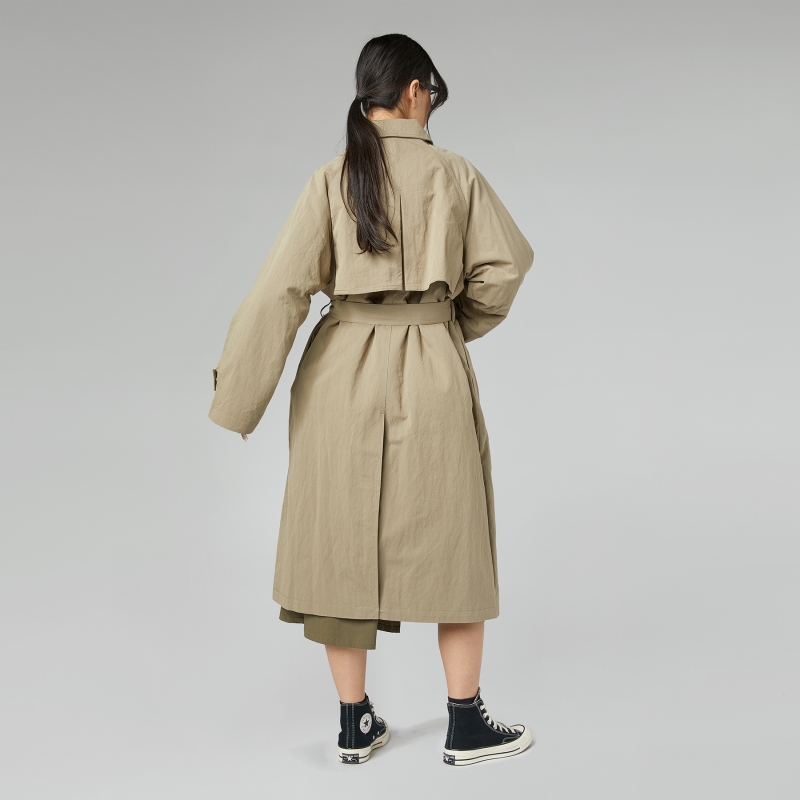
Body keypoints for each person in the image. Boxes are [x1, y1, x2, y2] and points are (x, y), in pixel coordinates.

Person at [208, 33, 534, 766]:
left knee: (339, 540)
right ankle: (465, 724)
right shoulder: (455, 173)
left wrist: (241, 396)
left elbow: (280, 290)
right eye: (432, 94)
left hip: (339, 372)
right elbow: (504, 269)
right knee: (455, 538)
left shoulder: (333, 177)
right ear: (415, 91)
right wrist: (446, 324)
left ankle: (353, 723)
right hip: (432, 364)